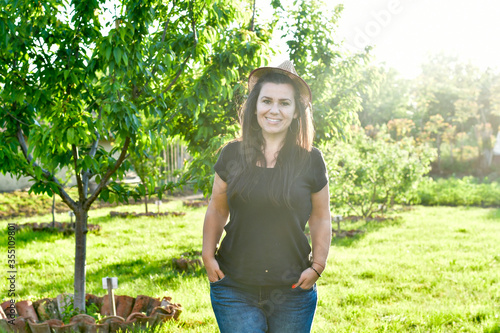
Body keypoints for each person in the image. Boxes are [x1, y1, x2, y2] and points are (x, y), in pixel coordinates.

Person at [202, 60, 332, 333]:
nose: (274, 110)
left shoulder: (311, 160)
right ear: (255, 106)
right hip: (234, 286)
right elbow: (216, 208)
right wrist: (207, 255)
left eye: (284, 103)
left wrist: (318, 265)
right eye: (267, 101)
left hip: (293, 289)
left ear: (296, 112)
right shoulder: (232, 155)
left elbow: (320, 216)